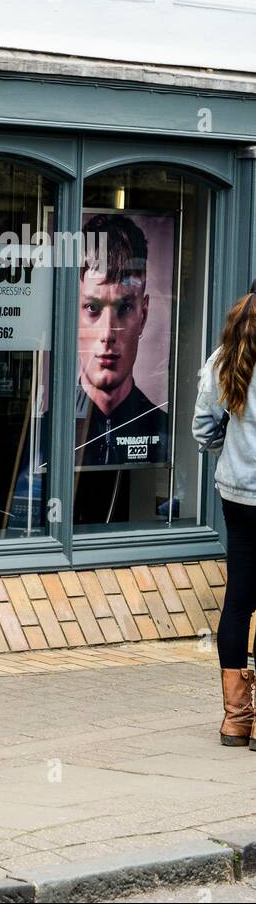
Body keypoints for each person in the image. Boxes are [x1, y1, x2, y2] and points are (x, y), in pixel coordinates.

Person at [74, 213, 170, 524]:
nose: (107, 334)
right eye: (92, 308)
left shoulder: (162, 431)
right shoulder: (46, 434)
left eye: (124, 308)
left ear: (143, 315)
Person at [193, 280, 256, 747]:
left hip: (236, 497)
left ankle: (236, 720)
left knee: (238, 601)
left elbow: (203, 429)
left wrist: (231, 456)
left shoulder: (224, 358)